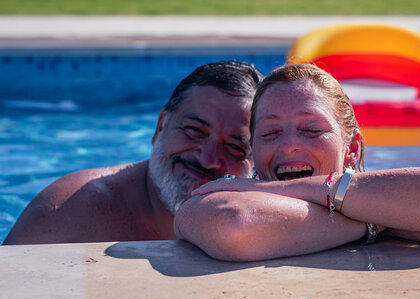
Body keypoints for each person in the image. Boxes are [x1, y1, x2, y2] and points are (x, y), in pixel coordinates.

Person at [175, 64, 420, 262]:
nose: (289, 144)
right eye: (269, 132)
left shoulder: (382, 192)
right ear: (253, 149)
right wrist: (372, 224)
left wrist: (314, 193)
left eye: (311, 130)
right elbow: (236, 225)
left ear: (352, 148)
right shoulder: (218, 197)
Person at [4, 61, 264, 245]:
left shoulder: (260, 222)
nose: (208, 158)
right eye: (194, 131)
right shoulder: (71, 211)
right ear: (160, 126)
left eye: (235, 147)